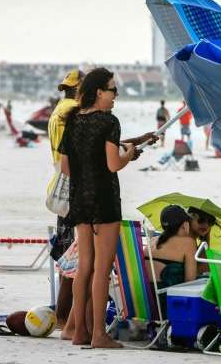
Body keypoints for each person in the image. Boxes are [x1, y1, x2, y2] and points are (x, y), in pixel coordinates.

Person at [58, 67, 155, 348]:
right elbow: (113, 164)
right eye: (113, 90)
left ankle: (79, 333)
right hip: (104, 199)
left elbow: (65, 166)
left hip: (80, 199)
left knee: (84, 267)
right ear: (99, 92)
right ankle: (99, 334)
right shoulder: (109, 121)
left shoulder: (73, 120)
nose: (116, 96)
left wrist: (92, 166)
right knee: (102, 270)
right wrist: (128, 155)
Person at [49, 69, 84, 337]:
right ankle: (64, 319)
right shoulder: (73, 111)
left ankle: (63, 317)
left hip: (60, 187)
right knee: (74, 258)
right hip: (75, 190)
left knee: (65, 255)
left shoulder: (59, 108)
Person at [144, 205, 198, 289]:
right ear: (185, 224)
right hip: (170, 298)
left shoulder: (152, 241)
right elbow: (190, 281)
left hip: (148, 296)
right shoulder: (189, 242)